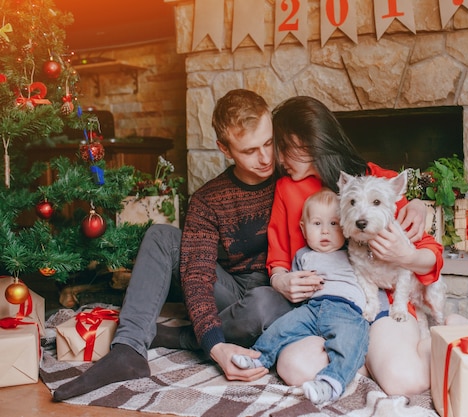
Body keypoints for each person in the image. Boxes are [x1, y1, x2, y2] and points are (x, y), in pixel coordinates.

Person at [52, 89, 293, 401]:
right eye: (249, 150)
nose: (265, 158)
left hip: (279, 292)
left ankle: (182, 337)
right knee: (160, 235)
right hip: (234, 291)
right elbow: (196, 274)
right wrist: (217, 347)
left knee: (265, 302)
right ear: (225, 149)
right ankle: (129, 349)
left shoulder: (293, 174)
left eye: (269, 143)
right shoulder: (208, 199)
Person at [266, 95, 442, 396]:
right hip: (329, 308)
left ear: (308, 141)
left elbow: (430, 254)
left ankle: (397, 349)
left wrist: (407, 248)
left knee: (406, 382)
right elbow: (278, 257)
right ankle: (367, 358)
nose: (279, 160)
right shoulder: (286, 189)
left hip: (382, 303)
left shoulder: (374, 180)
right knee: (293, 368)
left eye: (284, 148)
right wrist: (281, 280)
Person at [232, 188, 369, 404]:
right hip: (311, 308)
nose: (325, 232)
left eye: (333, 224)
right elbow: (293, 289)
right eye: (317, 224)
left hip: (347, 311)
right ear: (304, 230)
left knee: (349, 343)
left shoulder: (353, 254)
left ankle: (331, 383)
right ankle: (258, 357)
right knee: (281, 328)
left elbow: (373, 283)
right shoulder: (303, 256)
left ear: (345, 227)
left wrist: (374, 314)